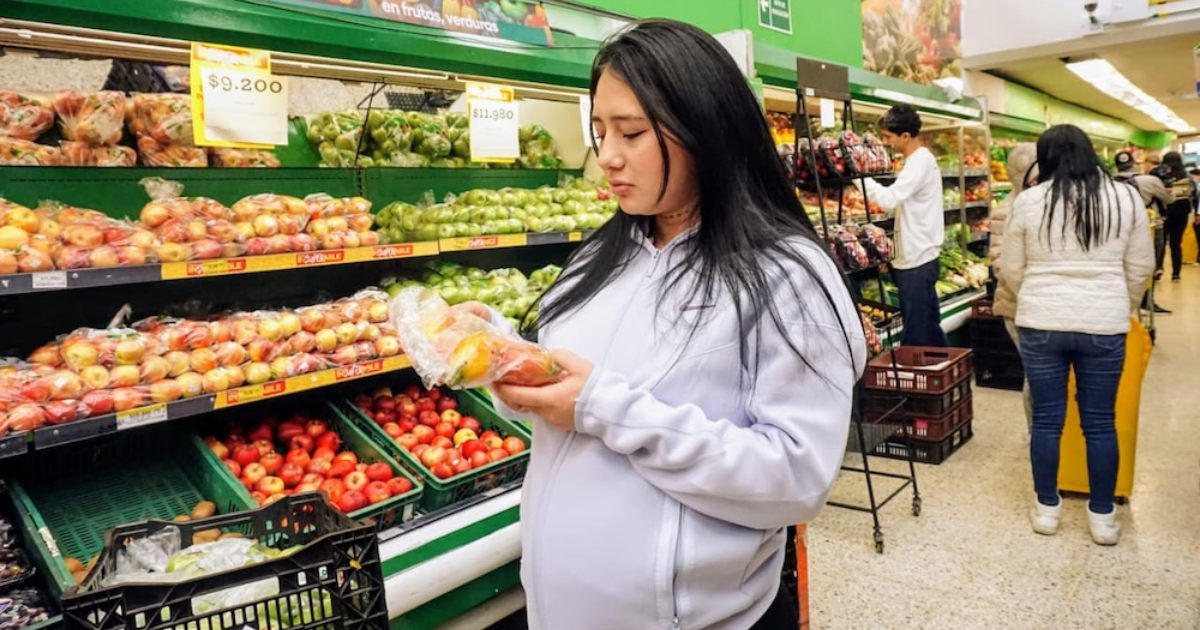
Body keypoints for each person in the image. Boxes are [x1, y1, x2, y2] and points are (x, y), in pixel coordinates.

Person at [452, 19, 866, 630]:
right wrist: (500, 351)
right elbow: (560, 389)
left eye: (632, 132)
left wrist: (605, 409)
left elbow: (795, 478)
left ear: (706, 127)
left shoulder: (786, 275)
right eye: (599, 132)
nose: (608, 156)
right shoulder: (600, 256)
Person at [1001, 124, 1155, 546]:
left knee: (1047, 422)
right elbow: (1141, 265)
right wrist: (1121, 304)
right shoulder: (1125, 198)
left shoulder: (1031, 201)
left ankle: (1047, 509)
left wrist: (1033, 295)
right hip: (1104, 325)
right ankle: (1102, 518)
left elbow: (1010, 269)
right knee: (1100, 423)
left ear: (1046, 157)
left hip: (1041, 323)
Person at [858, 104, 947, 347]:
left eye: (888, 137)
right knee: (928, 326)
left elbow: (889, 200)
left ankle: (920, 378)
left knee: (917, 332)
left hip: (917, 259)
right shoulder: (918, 161)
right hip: (917, 255)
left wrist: (858, 179)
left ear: (905, 136)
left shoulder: (919, 162)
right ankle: (940, 371)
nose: (885, 142)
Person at [987, 142, 1036, 432]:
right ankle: (1036, 433)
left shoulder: (1043, 203)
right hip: (1017, 305)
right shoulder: (1005, 212)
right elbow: (1001, 263)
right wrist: (1035, 296)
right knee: (1036, 375)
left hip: (1038, 304)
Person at [1113, 149, 1173, 311]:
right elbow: (1169, 199)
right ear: (1134, 163)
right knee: (1150, 263)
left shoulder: (1110, 182)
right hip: (1151, 225)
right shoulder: (1150, 180)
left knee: (1123, 263)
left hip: (1121, 226)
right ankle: (1147, 301)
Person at [1152, 152, 1198, 282]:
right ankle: (1176, 274)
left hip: (1164, 212)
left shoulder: (1161, 176)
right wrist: (1195, 212)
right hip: (1181, 214)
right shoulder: (1188, 177)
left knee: (1161, 243)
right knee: (1176, 244)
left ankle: (1158, 268)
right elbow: (1195, 196)